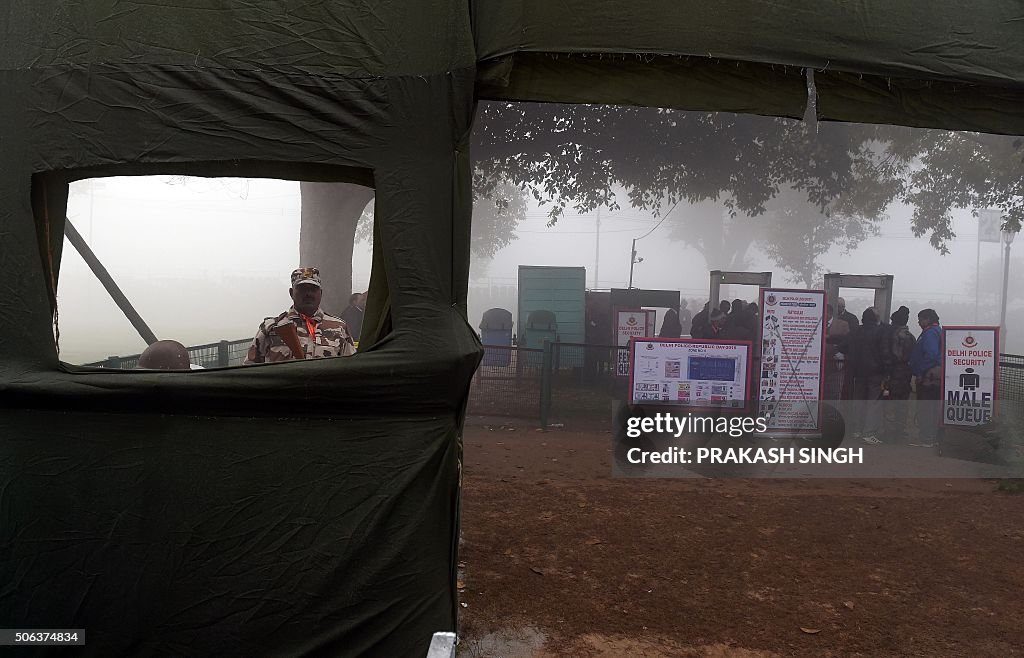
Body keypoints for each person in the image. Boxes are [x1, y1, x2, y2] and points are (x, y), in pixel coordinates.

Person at [244, 267, 356, 364]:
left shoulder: (339, 327)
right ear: (291, 293)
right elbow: (250, 370)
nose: (308, 294)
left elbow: (351, 368)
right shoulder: (271, 328)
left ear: (320, 293)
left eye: (313, 289)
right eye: (302, 289)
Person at [848, 308, 891, 444]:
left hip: (858, 372)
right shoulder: (880, 332)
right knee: (874, 403)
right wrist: (887, 372)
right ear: (876, 318)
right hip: (876, 372)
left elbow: (845, 346)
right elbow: (885, 353)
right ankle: (869, 433)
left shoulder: (856, 331)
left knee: (858, 401)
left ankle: (857, 430)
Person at [909, 308, 942, 446]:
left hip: (929, 377)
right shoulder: (937, 331)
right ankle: (932, 437)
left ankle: (926, 438)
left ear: (927, 319)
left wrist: (920, 371)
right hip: (934, 377)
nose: (918, 322)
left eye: (920, 319)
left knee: (926, 408)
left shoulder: (930, 334)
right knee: (932, 408)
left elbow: (931, 355)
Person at [883, 306, 917, 441]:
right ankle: (900, 430)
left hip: (894, 374)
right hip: (906, 375)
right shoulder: (911, 337)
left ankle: (890, 432)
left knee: (890, 403)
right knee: (902, 404)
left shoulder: (892, 336)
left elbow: (892, 355)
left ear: (895, 322)